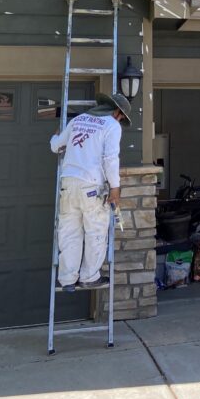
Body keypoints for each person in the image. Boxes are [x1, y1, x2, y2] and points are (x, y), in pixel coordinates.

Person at [49, 92, 131, 292]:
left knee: (69, 232)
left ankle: (67, 279)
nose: (120, 119)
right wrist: (115, 188)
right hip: (91, 187)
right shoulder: (112, 125)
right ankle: (89, 276)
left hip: (68, 183)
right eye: (121, 116)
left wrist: (56, 135)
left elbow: (55, 147)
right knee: (95, 231)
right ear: (117, 111)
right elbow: (110, 159)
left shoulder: (78, 120)